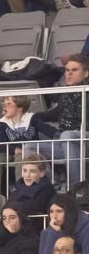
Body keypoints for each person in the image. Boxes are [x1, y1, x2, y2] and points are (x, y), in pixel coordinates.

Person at [30, 57, 89, 186]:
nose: (69, 74)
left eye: (74, 70)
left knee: (67, 135)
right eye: (67, 70)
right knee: (29, 147)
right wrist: (31, 116)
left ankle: (76, 186)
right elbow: (54, 113)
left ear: (85, 73)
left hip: (85, 140)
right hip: (66, 142)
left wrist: (55, 133)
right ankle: (50, 184)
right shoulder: (66, 94)